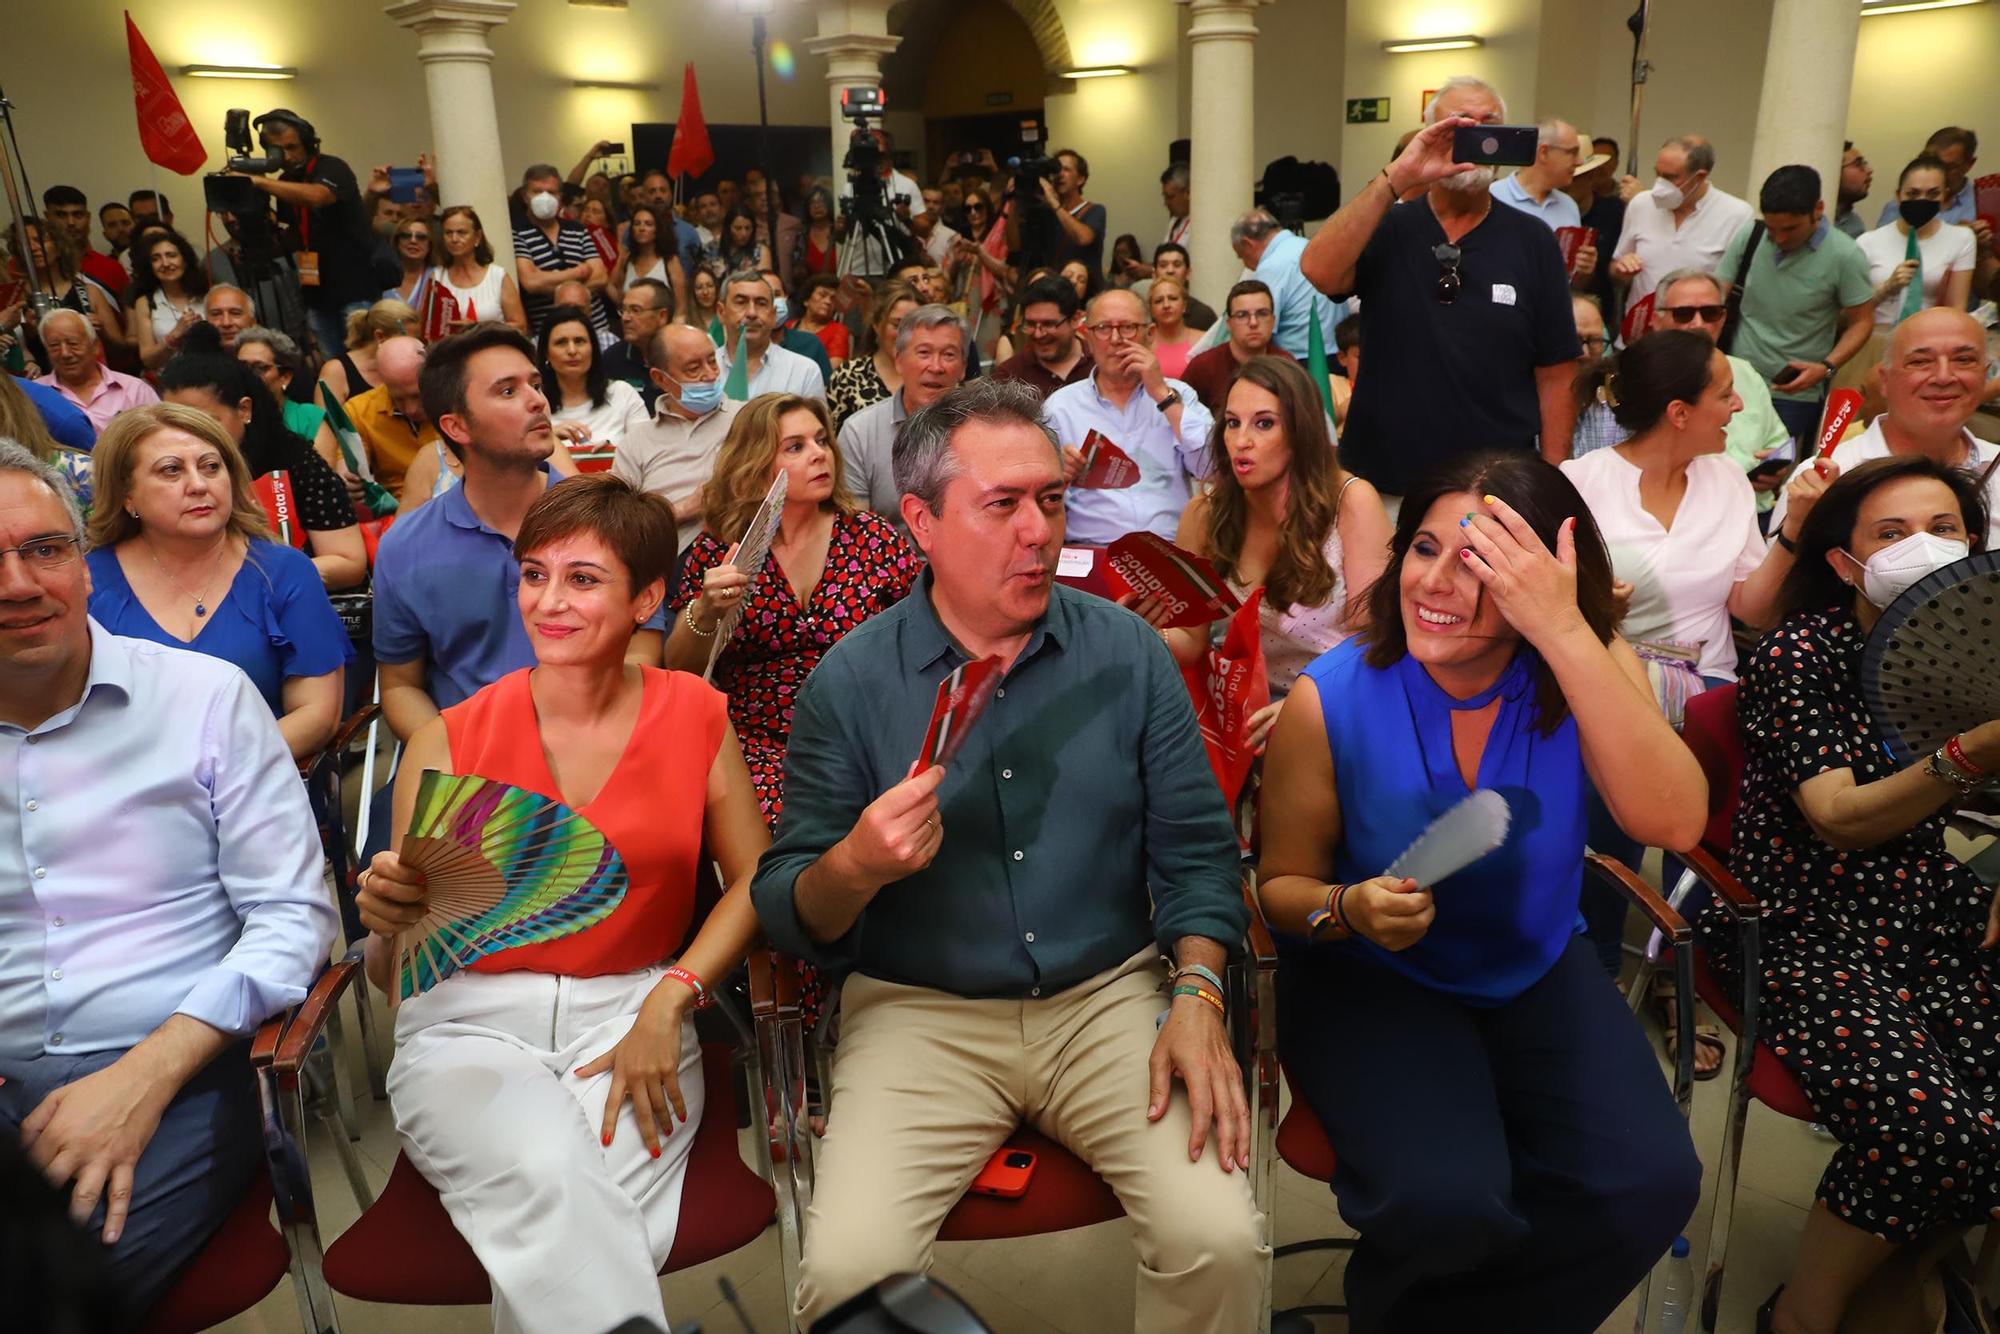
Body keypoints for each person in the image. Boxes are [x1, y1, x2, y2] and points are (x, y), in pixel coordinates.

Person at [752, 376, 1267, 1330]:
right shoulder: (851, 682)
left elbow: (1200, 856)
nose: (1040, 531)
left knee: (1220, 1239)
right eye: (1003, 505)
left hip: (1107, 999)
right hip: (918, 1012)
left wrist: (1195, 993)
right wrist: (857, 864)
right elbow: (789, 906)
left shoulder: (1128, 654)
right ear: (921, 521)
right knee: (848, 1279)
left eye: (1052, 499)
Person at [1257, 451, 1704, 1334]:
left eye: (1483, 564)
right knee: (1447, 1203)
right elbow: (1279, 889)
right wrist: (1347, 909)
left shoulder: (1577, 667)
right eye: (1424, 549)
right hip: (1373, 978)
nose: (1440, 584)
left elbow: (1675, 822)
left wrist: (1570, 633)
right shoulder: (1332, 696)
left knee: (1654, 1184)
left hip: (1533, 963)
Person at [356, 473, 768, 1334]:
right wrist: (385, 928)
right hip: (468, 1021)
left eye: (583, 579)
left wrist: (673, 997)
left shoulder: (694, 713)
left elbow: (755, 884)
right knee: (556, 1184)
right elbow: (396, 976)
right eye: (534, 574)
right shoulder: (448, 738)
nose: (549, 601)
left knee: (567, 1226)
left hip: (633, 1012)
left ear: (648, 597)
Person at [0, 438, 337, 1325]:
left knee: (43, 1302)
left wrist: (144, 1077)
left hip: (178, 1069)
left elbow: (295, 919)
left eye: (43, 549)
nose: (18, 584)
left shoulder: (206, 700)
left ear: (83, 560)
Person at [1696, 455, 2000, 1334]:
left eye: (1944, 530)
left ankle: (1911, 1270)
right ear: (1844, 563)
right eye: (1891, 535)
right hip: (1800, 919)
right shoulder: (1806, 653)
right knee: (1931, 1133)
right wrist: (1968, 756)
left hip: (1925, 904)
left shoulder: (1976, 650)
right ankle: (1805, 1313)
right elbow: (1837, 818)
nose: (1924, 550)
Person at [374, 324, 666, 750]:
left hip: (603, 744)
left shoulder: (607, 519)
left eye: (534, 383)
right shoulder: (406, 548)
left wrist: (600, 732)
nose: (537, 401)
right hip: (473, 762)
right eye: (507, 391)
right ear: (457, 427)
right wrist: (455, 751)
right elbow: (400, 685)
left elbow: (642, 644)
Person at [1300, 76, 1583, 499]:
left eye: (1490, 124)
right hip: (1385, 480)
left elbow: (1557, 375)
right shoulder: (1387, 225)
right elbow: (1319, 270)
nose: (1477, 137)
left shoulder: (1533, 240)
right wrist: (1399, 175)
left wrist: (1552, 479)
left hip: (1493, 490)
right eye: (1460, 124)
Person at [669, 392, 920, 819]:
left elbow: (920, 634)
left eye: (822, 440)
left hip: (862, 732)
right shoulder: (720, 550)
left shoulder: (871, 537)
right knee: (786, 824)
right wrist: (706, 611)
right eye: (796, 447)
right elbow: (679, 671)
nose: (820, 455)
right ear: (755, 464)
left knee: (884, 818)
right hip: (758, 743)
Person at [81, 404, 350, 758]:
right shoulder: (86, 580)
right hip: (126, 790)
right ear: (127, 495)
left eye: (211, 467)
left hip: (259, 779)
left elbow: (316, 715)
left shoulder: (283, 570)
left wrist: (210, 774)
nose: (198, 485)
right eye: (171, 471)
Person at [1166, 355, 1391, 717]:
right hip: (1241, 708)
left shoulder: (1351, 501)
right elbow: (1190, 643)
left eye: (1264, 424)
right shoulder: (1204, 513)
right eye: (1232, 423)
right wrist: (1136, 630)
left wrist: (1301, 710)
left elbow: (1379, 644)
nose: (1241, 441)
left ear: (1300, 431)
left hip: (1341, 704)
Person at [1769, 307, 2000, 546]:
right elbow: (1781, 581)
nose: (1943, 377)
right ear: (1885, 379)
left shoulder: (1996, 465)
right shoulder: (1823, 478)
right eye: (1920, 362)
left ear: (1985, 375)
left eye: (1964, 360)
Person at [158, 326, 367, 588]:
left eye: (206, 422)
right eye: (176, 424)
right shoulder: (161, 475)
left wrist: (249, 581)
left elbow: (348, 562)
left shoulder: (295, 461)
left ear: (244, 410)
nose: (191, 436)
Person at [1717, 165, 1876, 445]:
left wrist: (1826, 368)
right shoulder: (1751, 236)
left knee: (1764, 470)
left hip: (1793, 392)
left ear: (1818, 209)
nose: (1779, 238)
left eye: (1790, 229)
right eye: (1772, 229)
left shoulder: (1846, 255)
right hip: (1736, 380)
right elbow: (1716, 295)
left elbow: (1862, 322)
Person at [1043, 289, 1213, 546]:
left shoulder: (1179, 395)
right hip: (1091, 552)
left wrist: (1162, 395)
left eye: (1127, 328)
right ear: (1087, 337)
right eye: (1102, 328)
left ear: (1150, 335)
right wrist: (1058, 476)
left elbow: (1212, 468)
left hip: (1170, 551)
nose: (1115, 339)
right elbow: (1037, 498)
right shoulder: (1061, 408)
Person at [235, 110, 377, 358]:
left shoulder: (333, 167)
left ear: (309, 144)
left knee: (363, 359)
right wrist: (260, 246)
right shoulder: (285, 181)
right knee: (331, 363)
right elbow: (295, 235)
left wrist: (259, 182)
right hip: (316, 292)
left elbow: (318, 196)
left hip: (354, 288)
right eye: (278, 151)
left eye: (293, 147)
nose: (287, 157)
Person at [613, 323, 745, 551]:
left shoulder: (748, 417)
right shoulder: (637, 441)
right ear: (660, 378)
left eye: (712, 361)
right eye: (694, 368)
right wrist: (684, 509)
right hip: (670, 563)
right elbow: (618, 527)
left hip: (741, 550)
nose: (710, 375)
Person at [838, 304, 967, 526]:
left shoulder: (982, 430)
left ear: (963, 367)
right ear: (899, 361)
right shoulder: (859, 433)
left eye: (948, 355)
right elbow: (854, 532)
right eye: (924, 353)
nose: (936, 367)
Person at [1609, 134, 1756, 321]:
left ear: (1700, 176)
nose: (1660, 184)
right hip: (1638, 331)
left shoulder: (1736, 214)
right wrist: (1621, 269)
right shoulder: (1641, 203)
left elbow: (1732, 286)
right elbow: (1615, 268)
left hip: (1692, 335)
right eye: (1657, 174)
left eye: (1670, 177)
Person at [1854, 155, 1977, 340]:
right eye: (1912, 194)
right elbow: (1848, 313)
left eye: (1933, 194)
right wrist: (1887, 287)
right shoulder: (1868, 242)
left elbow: (1956, 310)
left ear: (1944, 195)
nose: (1922, 200)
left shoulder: (1961, 238)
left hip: (1930, 340)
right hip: (1874, 339)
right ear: (1898, 196)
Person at [1228, 209, 1345, 363]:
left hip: (1301, 361)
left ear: (1247, 244)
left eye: (1241, 256)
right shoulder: (1308, 246)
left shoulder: (1271, 266)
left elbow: (1260, 328)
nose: (1247, 267)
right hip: (1339, 354)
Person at [12, 217, 123, 371]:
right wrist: (28, 333)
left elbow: (120, 349)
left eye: (40, 240)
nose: (33, 248)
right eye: (24, 243)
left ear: (58, 246)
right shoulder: (16, 296)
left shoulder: (89, 292)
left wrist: (100, 331)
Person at [513, 163, 609, 338]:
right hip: (550, 335)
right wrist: (578, 271)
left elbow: (600, 276)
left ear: (560, 196)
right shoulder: (517, 233)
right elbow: (532, 282)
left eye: (551, 192)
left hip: (596, 330)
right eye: (537, 191)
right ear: (525, 196)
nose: (545, 197)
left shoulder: (577, 229)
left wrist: (561, 292)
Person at [234, 324, 344, 471]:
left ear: (285, 376)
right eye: (242, 367)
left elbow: (324, 478)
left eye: (260, 368)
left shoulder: (308, 417)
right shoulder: (228, 415)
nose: (248, 374)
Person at [1180, 280, 1297, 415]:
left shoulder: (1287, 366)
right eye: (1242, 315)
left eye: (1262, 313)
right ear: (1229, 324)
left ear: (1273, 320)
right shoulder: (1203, 367)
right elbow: (1180, 418)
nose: (1253, 322)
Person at [540, 304, 648, 448]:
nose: (572, 350)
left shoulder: (622, 393)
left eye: (579, 341)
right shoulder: (535, 405)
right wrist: (549, 436)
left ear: (593, 349)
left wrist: (615, 452)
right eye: (561, 342)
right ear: (547, 353)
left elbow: (648, 452)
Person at [33, 309, 157, 433]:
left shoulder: (135, 390)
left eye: (73, 343)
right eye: (54, 345)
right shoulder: (33, 394)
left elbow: (160, 435)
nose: (65, 353)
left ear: (95, 346)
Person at [345, 334, 439, 497]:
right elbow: (349, 463)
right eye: (398, 398)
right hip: (400, 510)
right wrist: (350, 478)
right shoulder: (359, 410)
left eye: (417, 395)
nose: (411, 409)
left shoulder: (458, 398)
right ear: (382, 381)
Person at [826, 281, 920, 431]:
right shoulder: (848, 376)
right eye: (897, 325)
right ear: (877, 325)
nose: (905, 334)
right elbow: (833, 439)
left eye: (915, 326)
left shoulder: (934, 374)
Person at [715, 270, 824, 401]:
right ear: (721, 312)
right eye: (741, 302)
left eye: (761, 304)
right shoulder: (701, 371)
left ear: (773, 316)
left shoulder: (803, 372)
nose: (752, 313)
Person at [991, 275, 1093, 400]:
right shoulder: (1009, 377)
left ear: (1075, 319)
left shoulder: (1101, 365)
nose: (1038, 334)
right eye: (1031, 324)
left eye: (1049, 324)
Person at [435, 205, 529, 336]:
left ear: (477, 237)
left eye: (461, 232)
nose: (454, 239)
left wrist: (478, 328)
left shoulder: (497, 276)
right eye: (448, 233)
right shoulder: (436, 277)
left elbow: (520, 327)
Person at [1872, 126, 1984, 232]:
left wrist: (1978, 245)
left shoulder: (1983, 203)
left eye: (1948, 167)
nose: (1939, 173)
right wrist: (1952, 237)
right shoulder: (1905, 202)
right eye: (1933, 163)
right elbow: (1880, 246)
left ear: (1970, 163)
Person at [1019, 147, 1106, 282]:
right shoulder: (1045, 213)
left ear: (1081, 179)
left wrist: (1054, 203)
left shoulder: (1095, 210)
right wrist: (1013, 199)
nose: (1060, 174)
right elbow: (1016, 246)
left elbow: (1083, 238)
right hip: (1055, 291)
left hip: (1086, 293)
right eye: (1057, 170)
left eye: (1066, 169)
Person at [41, 185, 132, 313]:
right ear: (47, 217)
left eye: (78, 215)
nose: (71, 222)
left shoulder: (111, 267)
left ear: (88, 217)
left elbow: (130, 321)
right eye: (61, 215)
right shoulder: (39, 267)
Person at [315, 298, 420, 403]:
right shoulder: (336, 371)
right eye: (405, 341)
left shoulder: (411, 367)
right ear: (380, 336)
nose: (412, 348)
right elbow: (325, 418)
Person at [605, 203, 688, 327]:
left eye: (648, 224)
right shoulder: (627, 260)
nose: (641, 228)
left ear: (658, 229)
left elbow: (681, 308)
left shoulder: (670, 261)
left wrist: (672, 332)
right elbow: (618, 297)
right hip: (632, 331)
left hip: (663, 332)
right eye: (637, 223)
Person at [605, 276, 670, 409]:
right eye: (623, 310)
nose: (625, 318)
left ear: (662, 316)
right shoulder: (612, 358)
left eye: (635, 310)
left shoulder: (683, 356)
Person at [763, 271, 833, 382]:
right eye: (764, 297)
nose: (773, 304)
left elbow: (826, 392)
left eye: (777, 295)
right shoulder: (740, 348)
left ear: (786, 298)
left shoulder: (810, 344)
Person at [1142, 243, 1218, 330]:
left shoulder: (1203, 315)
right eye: (1163, 265)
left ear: (1188, 273)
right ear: (1154, 275)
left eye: (1177, 265)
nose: (1170, 271)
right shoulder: (1142, 313)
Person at [790, 274, 850, 371]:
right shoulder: (787, 327)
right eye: (822, 295)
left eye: (833, 298)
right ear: (806, 300)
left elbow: (832, 372)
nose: (828, 301)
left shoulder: (838, 330)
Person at [1146, 275, 1200, 380]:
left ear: (1184, 305)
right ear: (1151, 309)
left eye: (1173, 298)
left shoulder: (1203, 341)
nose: (1166, 305)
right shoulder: (1144, 344)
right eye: (1158, 301)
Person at [383, 215, 439, 312]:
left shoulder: (439, 277)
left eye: (421, 237)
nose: (413, 241)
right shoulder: (382, 275)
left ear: (430, 245)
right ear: (397, 242)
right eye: (406, 236)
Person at [717, 206, 774, 281]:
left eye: (748, 228)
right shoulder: (715, 250)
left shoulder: (760, 251)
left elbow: (765, 281)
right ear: (728, 228)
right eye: (738, 228)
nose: (744, 234)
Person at [200, 283, 259, 354]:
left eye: (235, 313)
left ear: (253, 322)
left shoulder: (272, 360)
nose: (226, 323)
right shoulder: (191, 363)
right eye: (216, 314)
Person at [799, 184, 839, 285]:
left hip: (839, 288)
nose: (817, 206)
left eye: (821, 201)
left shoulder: (838, 231)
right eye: (812, 202)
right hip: (811, 291)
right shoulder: (802, 235)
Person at [1834, 141, 1873, 240]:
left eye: (1865, 163)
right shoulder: (1807, 222)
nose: (1869, 170)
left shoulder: (1855, 225)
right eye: (1858, 164)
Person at [99, 200, 137, 268]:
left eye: (125, 223)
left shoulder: (152, 258)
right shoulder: (104, 267)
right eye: (112, 225)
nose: (120, 229)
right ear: (105, 234)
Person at [686, 265, 721, 336]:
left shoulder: (726, 318)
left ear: (716, 288)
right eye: (699, 288)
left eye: (710, 286)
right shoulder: (685, 322)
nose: (705, 292)